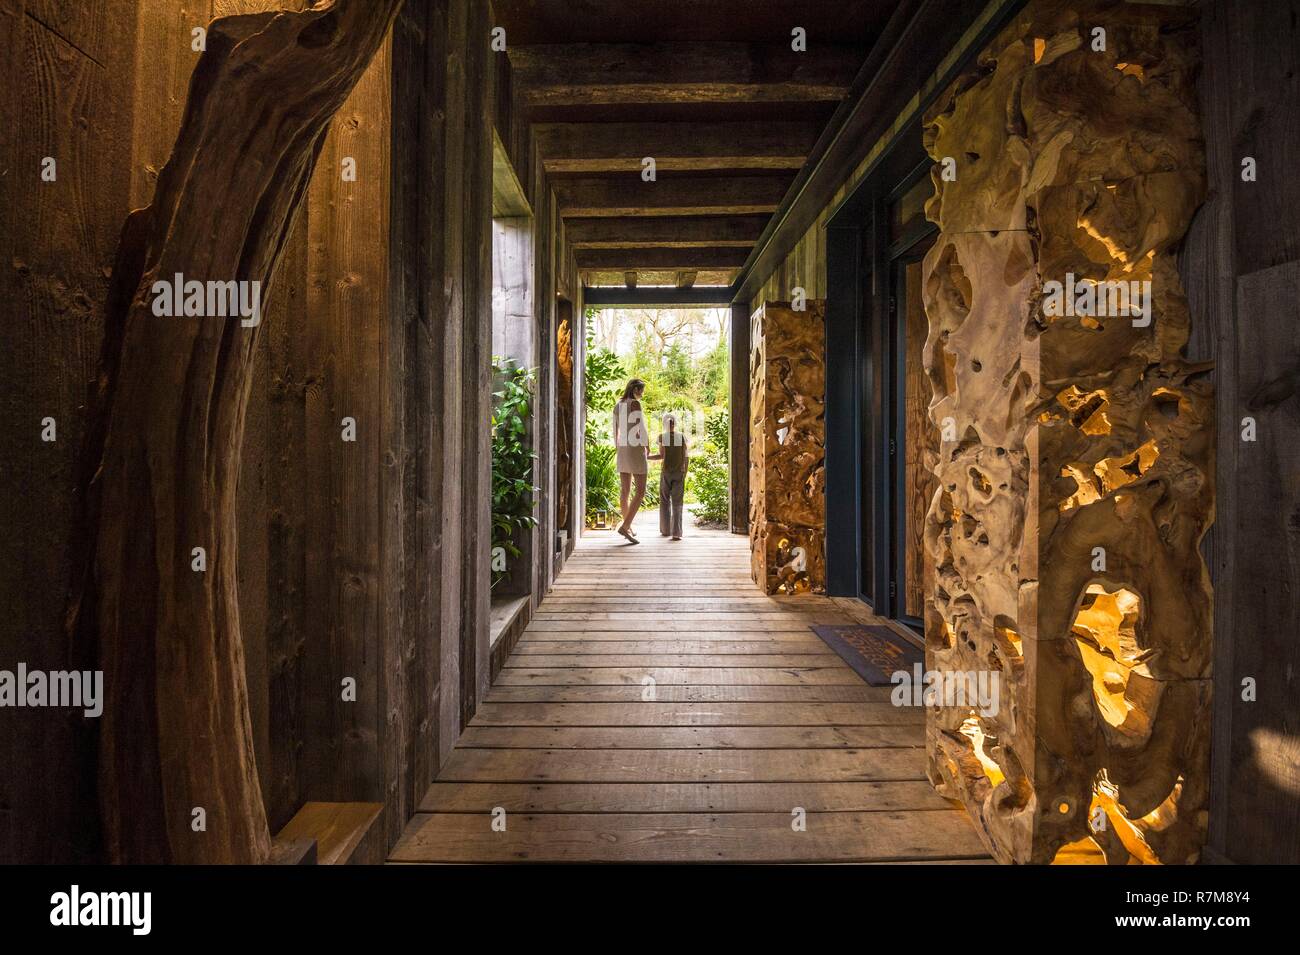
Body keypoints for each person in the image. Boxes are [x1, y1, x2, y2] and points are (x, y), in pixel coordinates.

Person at [611, 378, 648, 543]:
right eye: (641, 391)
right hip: (634, 448)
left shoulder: (618, 405)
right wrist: (646, 445)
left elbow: (616, 430)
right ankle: (625, 527)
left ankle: (628, 526)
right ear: (635, 390)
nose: (642, 394)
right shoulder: (635, 404)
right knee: (640, 491)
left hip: (622, 448)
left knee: (625, 491)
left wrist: (618, 447)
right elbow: (639, 428)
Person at [648, 412, 689, 541]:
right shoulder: (682, 437)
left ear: (664, 424)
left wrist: (646, 457)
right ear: (674, 424)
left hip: (666, 472)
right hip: (679, 473)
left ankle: (665, 530)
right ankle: (676, 532)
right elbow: (686, 457)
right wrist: (684, 472)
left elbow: (661, 456)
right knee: (677, 502)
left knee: (665, 501)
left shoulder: (663, 437)